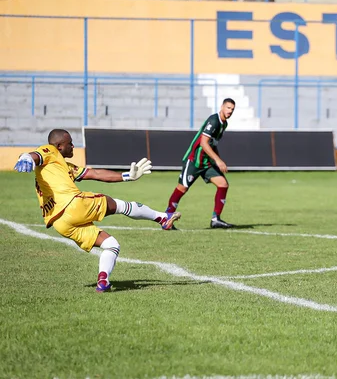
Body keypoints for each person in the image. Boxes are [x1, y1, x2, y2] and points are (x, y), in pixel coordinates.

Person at [13, 129, 181, 292]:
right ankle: (162, 219)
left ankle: (103, 281)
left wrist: (127, 176)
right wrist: (27, 156)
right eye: (69, 143)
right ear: (59, 145)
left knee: (111, 245)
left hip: (60, 223)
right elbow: (36, 154)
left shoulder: (62, 166)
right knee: (120, 205)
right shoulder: (50, 150)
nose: (73, 146)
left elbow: (95, 173)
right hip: (73, 205)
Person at [165, 98, 236, 229]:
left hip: (206, 163)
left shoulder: (223, 124)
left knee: (223, 184)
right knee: (182, 188)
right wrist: (218, 160)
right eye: (228, 108)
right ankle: (166, 218)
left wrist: (217, 160)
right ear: (222, 107)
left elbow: (212, 144)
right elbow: (203, 142)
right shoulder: (214, 120)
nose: (230, 111)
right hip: (194, 161)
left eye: (232, 109)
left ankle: (216, 219)